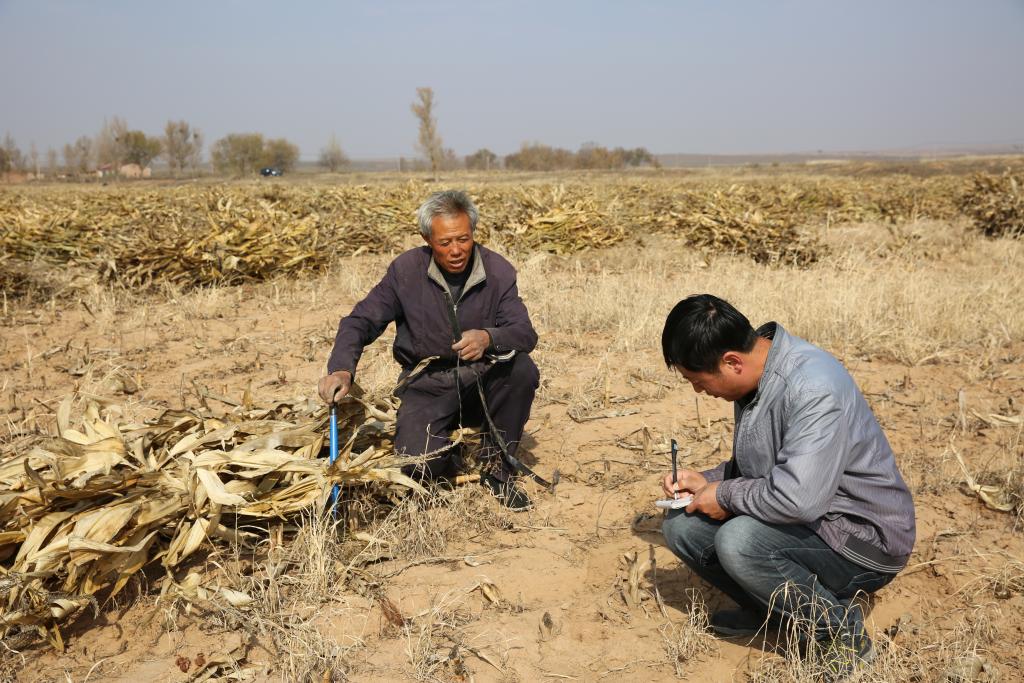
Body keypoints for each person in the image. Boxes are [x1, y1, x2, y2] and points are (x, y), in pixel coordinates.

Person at [659, 294, 915, 679]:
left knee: (740, 541)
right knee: (682, 526)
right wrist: (707, 481)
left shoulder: (812, 387)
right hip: (814, 521)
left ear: (732, 362)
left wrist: (723, 495)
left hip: (861, 540)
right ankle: (774, 611)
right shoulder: (757, 376)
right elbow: (766, 467)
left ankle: (840, 636)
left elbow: (798, 500)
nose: (699, 391)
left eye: (698, 381)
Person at [318, 190, 539, 509]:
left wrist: (488, 338)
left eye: (463, 239)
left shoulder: (498, 271)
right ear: (427, 239)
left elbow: (525, 333)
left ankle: (497, 470)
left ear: (473, 232)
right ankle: (451, 454)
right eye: (445, 242)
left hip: (482, 381)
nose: (456, 250)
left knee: (521, 370)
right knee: (418, 468)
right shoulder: (406, 271)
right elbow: (360, 321)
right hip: (427, 385)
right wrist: (341, 368)